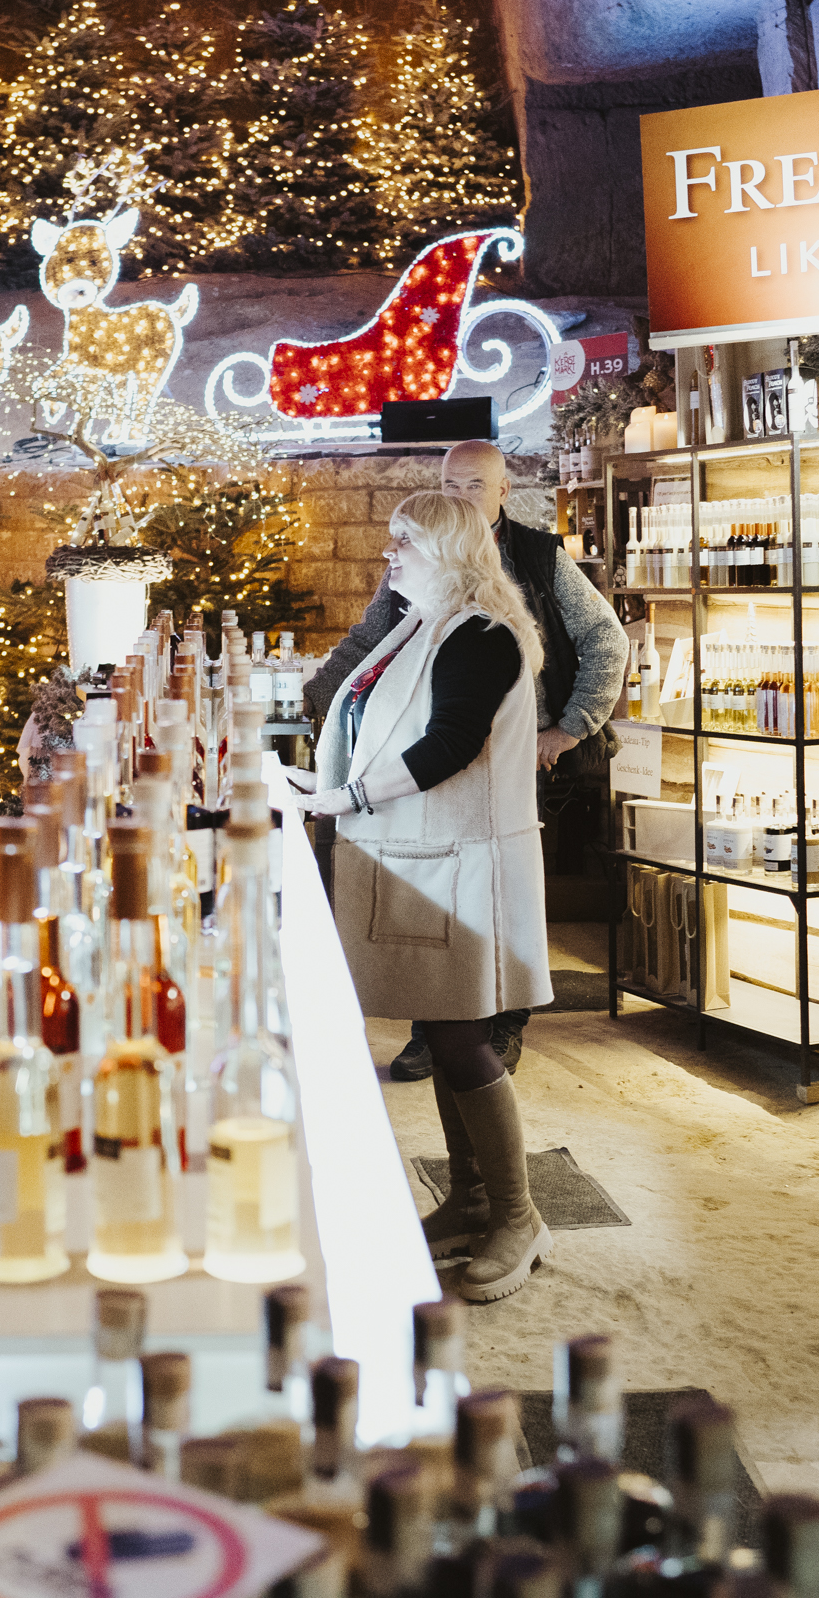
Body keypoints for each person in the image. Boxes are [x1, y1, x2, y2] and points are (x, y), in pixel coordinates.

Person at [306, 438, 627, 1081]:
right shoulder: (421, 572)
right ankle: (445, 1026)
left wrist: (567, 730)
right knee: (443, 914)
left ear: (503, 491)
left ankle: (488, 1028)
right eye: (450, 485)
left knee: (483, 904)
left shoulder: (530, 566)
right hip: (436, 769)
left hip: (512, 755)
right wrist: (323, 701)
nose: (459, 497)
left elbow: (605, 641)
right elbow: (372, 641)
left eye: (473, 487)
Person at [304, 490, 555, 1302]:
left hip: (463, 862)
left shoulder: (480, 635)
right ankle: (474, 1199)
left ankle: (518, 1216)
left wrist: (351, 797)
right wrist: (329, 779)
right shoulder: (432, 623)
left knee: (464, 1037)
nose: (389, 555)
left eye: (403, 542)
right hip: (426, 857)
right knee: (442, 1031)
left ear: (447, 550)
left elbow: (449, 743)